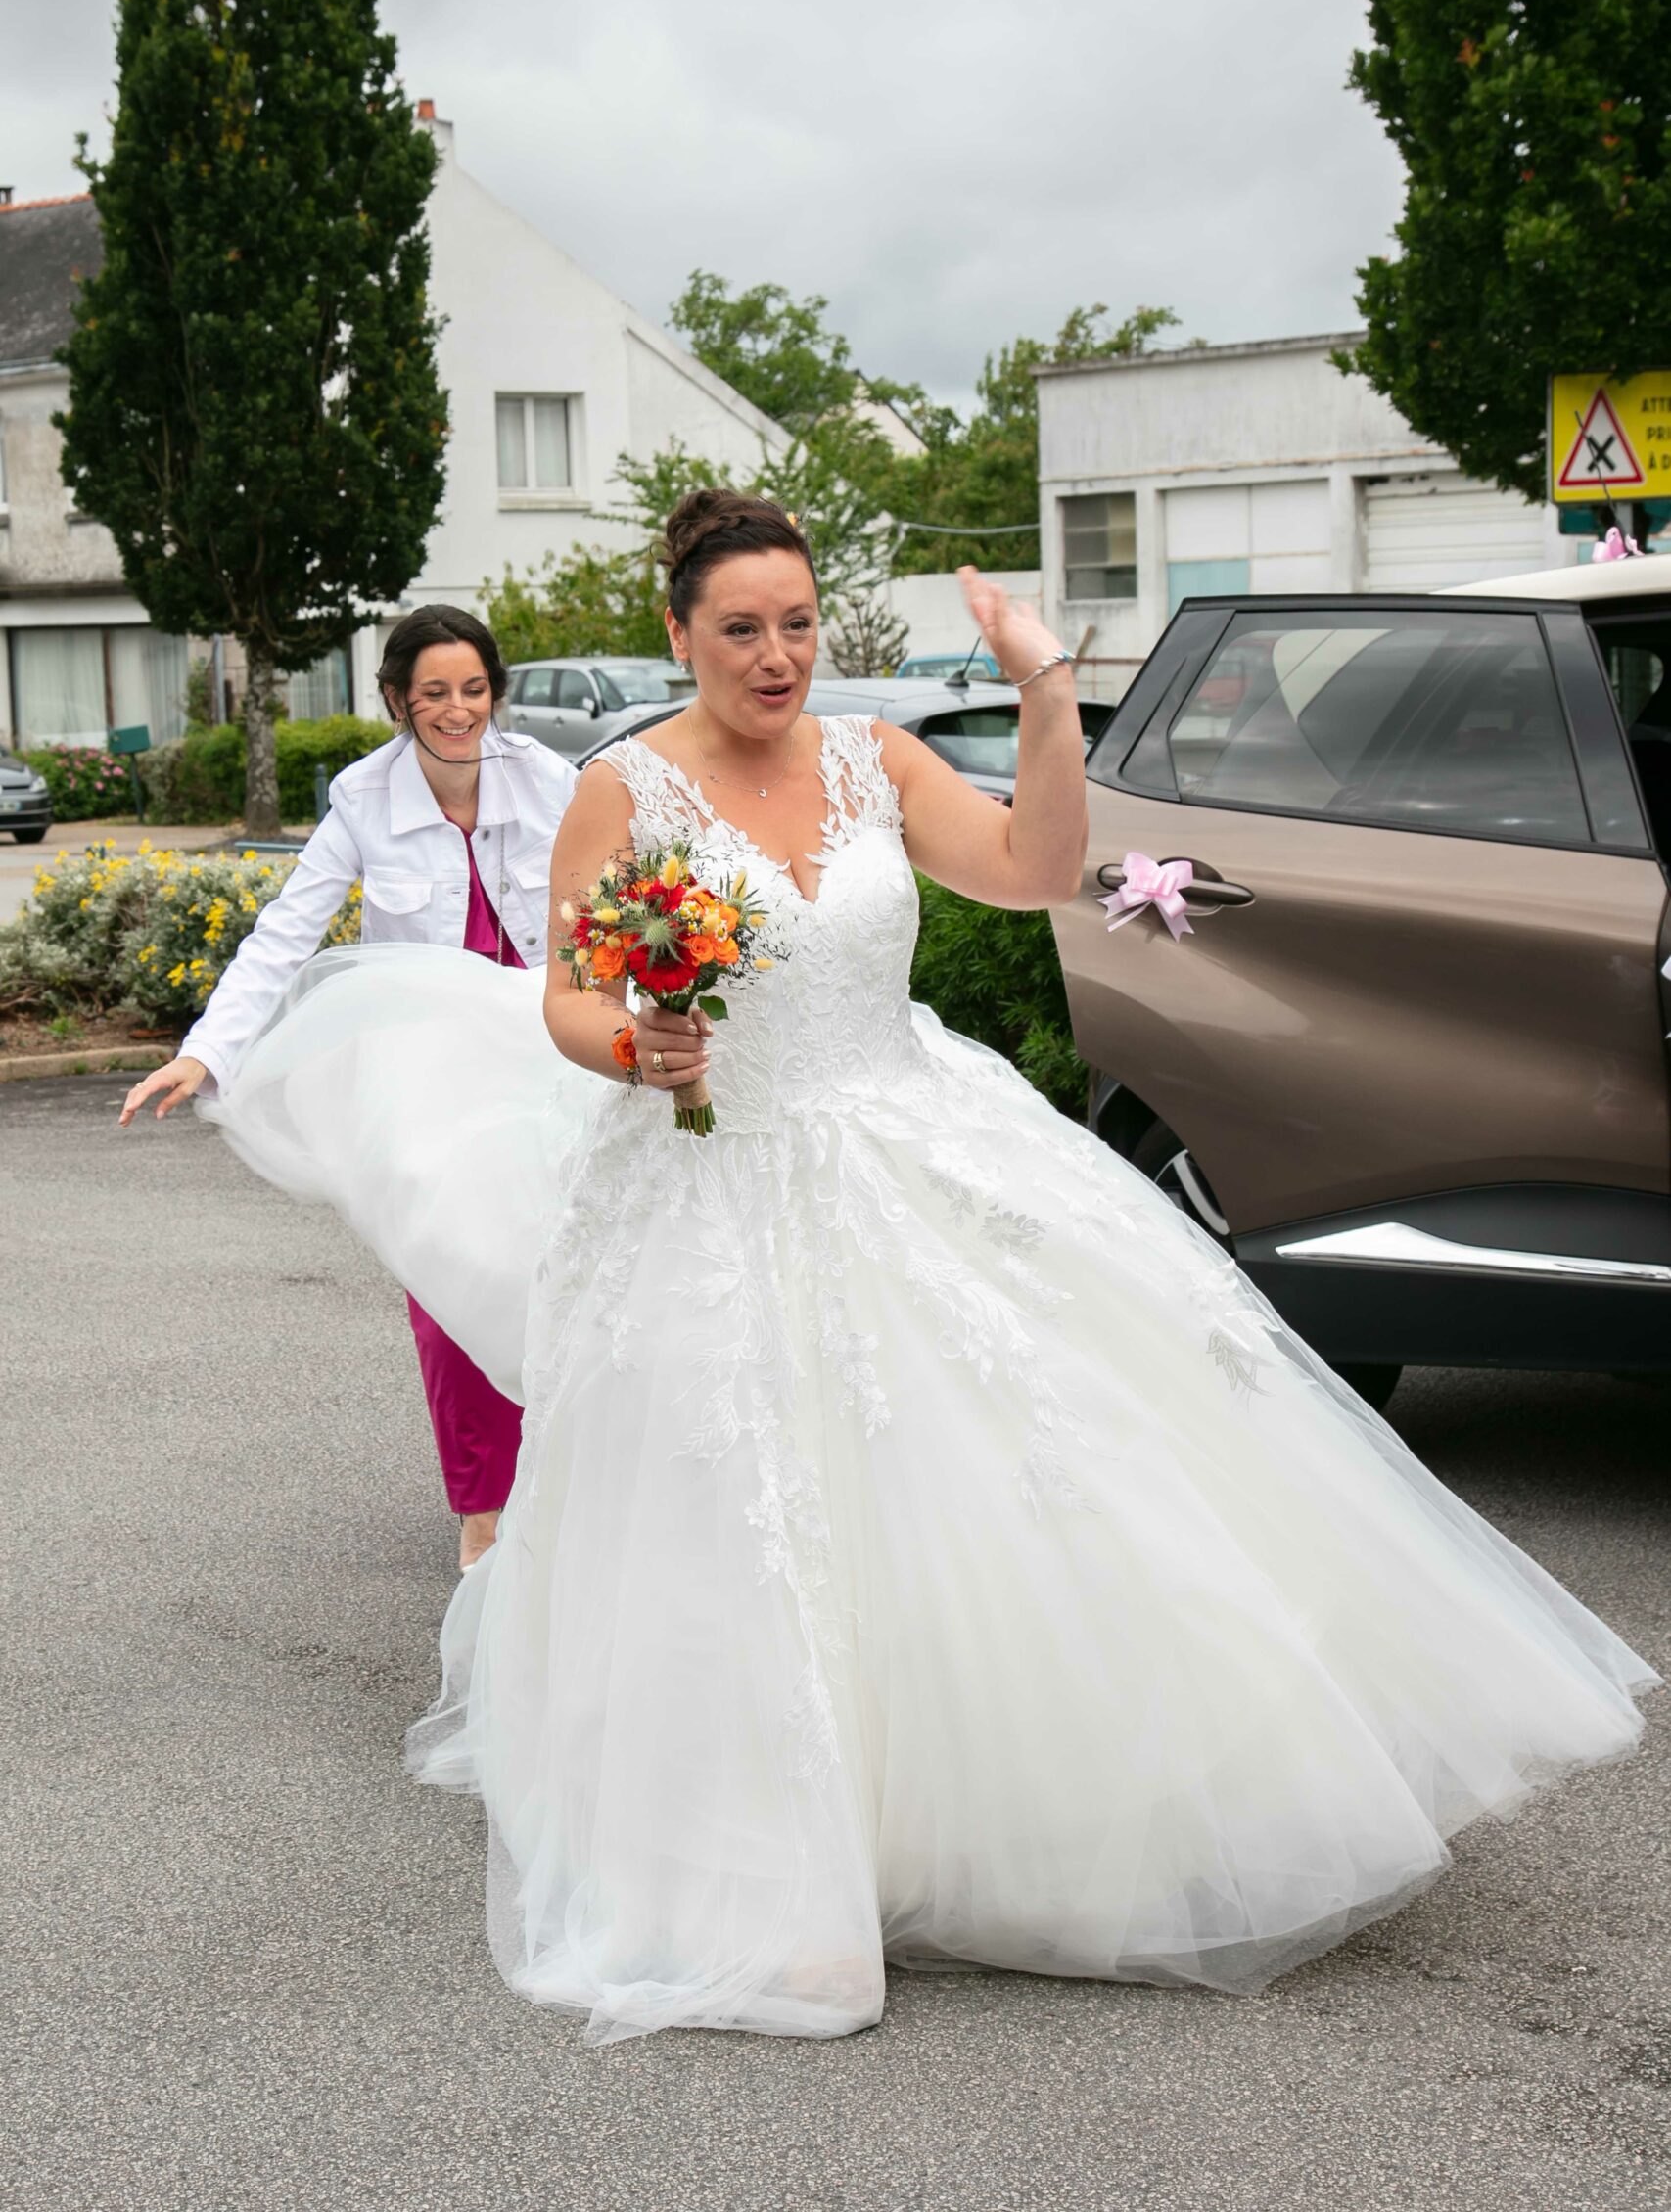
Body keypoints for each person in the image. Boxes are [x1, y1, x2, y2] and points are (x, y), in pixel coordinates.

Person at [208, 491, 1654, 2047]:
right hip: (714, 1173)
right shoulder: (621, 790)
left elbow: (1036, 866)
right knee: (747, 1508)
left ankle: (1034, 1818)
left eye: (797, 624)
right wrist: (632, 1044)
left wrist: (1042, 684)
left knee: (1026, 1466)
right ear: (680, 631)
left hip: (911, 1131)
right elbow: (567, 996)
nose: (775, 655)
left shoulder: (875, 761)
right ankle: (776, 1856)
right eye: (741, 629)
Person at [120, 605, 576, 1570]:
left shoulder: (551, 779)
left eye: (474, 689)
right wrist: (207, 1051)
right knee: (448, 1275)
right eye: (434, 693)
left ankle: (573, 1476)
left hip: (547, 1051)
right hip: (427, 1073)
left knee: (564, 1265)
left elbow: (615, 895)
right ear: (397, 702)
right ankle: (485, 1506)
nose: (458, 710)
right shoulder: (364, 799)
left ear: (496, 692)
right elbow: (285, 932)